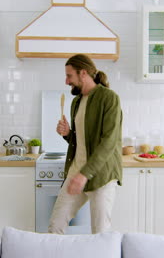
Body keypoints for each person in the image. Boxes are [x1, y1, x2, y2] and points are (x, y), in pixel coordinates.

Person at [48, 54, 123, 234]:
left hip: (101, 175)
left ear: (83, 73)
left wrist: (85, 174)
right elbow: (82, 140)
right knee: (55, 226)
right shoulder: (76, 102)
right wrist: (68, 134)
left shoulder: (109, 98)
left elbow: (109, 141)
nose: (66, 81)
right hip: (76, 171)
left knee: (100, 232)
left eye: (69, 76)